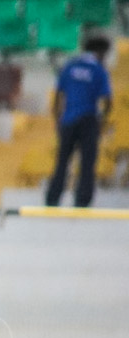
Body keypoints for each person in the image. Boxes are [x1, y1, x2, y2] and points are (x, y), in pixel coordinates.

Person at [44, 35, 113, 208]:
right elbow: (107, 101)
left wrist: (57, 119)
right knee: (87, 163)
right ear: (101, 52)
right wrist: (102, 120)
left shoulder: (70, 66)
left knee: (62, 161)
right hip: (88, 120)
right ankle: (82, 201)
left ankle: (52, 199)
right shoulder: (99, 70)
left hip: (68, 119)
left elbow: (58, 95)